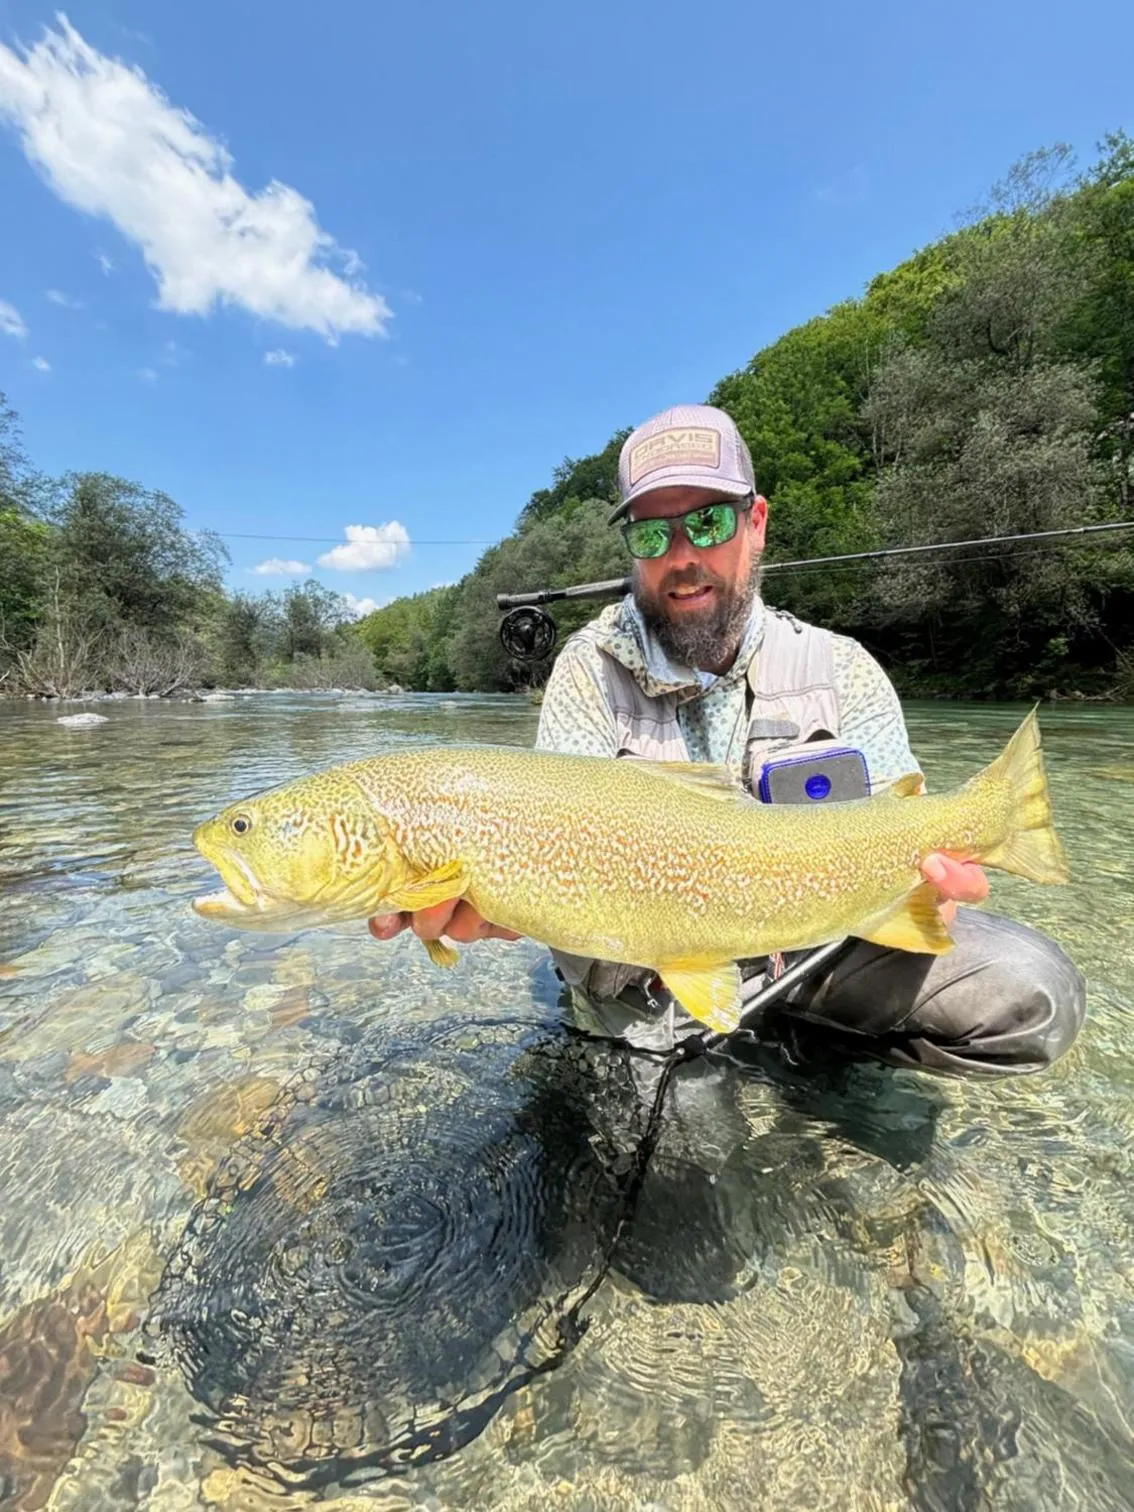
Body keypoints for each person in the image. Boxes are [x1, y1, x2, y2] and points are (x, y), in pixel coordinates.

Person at [369, 404, 1086, 1078]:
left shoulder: (842, 668)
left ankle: (824, 1060)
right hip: (650, 982)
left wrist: (932, 891)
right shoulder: (587, 674)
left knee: (1034, 994)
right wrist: (504, 900)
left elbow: (902, 829)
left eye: (708, 522)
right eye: (652, 534)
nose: (681, 554)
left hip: (813, 956)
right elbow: (560, 858)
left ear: (757, 522)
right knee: (702, 1164)